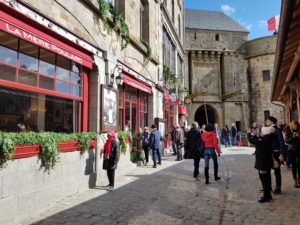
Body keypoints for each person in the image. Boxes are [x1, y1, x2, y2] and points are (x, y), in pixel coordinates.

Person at [247, 126, 274, 203]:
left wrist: (249, 133)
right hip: (266, 162)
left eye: (261, 132)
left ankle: (266, 197)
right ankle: (268, 195)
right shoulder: (268, 139)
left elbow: (252, 141)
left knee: (264, 180)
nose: (260, 133)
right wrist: (255, 135)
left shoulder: (264, 141)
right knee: (267, 179)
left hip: (263, 163)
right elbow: (257, 141)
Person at [265, 116, 285, 194]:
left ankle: (278, 187)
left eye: (267, 121)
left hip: (276, 154)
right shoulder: (270, 130)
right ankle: (268, 187)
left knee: (277, 171)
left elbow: (281, 142)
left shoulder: (277, 130)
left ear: (272, 122)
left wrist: (281, 153)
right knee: (268, 170)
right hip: (269, 153)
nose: (266, 123)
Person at [285, 121, 300, 188]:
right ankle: (295, 181)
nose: (295, 126)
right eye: (293, 125)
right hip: (292, 151)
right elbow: (286, 141)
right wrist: (293, 137)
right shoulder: (289, 132)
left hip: (299, 150)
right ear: (291, 125)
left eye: (296, 125)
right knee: (294, 166)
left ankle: (299, 180)